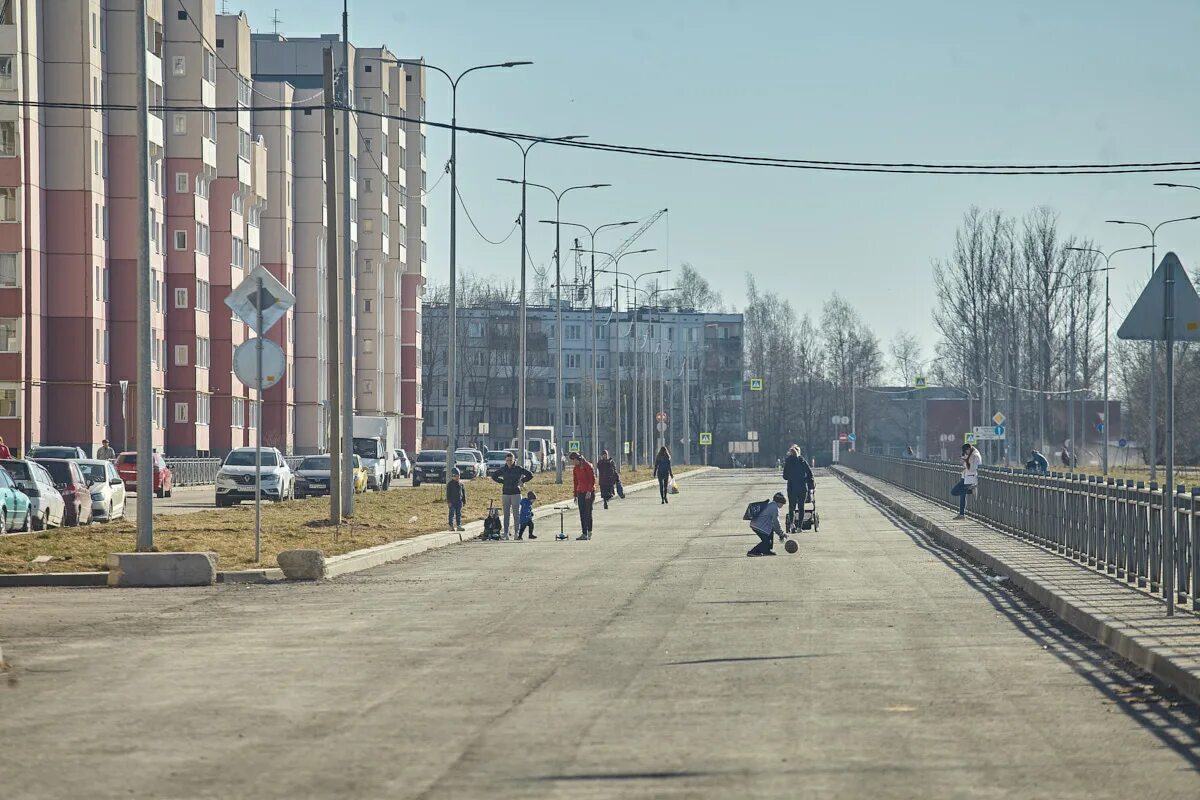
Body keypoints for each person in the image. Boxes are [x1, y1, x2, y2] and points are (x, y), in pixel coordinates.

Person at [491, 451, 534, 539]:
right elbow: (494, 476)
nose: (509, 462)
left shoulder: (518, 468)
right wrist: (502, 481)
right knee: (506, 514)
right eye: (507, 460)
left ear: (514, 460)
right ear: (505, 461)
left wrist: (522, 481)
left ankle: (516, 533)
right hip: (506, 493)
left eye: (511, 460)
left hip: (516, 493)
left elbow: (530, 475)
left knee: (516, 514)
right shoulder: (504, 469)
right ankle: (506, 533)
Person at [782, 444, 815, 533]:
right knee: (801, 507)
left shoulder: (788, 462)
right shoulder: (802, 461)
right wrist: (811, 485)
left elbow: (784, 476)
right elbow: (809, 473)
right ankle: (800, 527)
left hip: (792, 487)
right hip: (802, 488)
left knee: (792, 507)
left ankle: (792, 524)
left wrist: (791, 477)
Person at [748, 492, 788, 556]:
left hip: (757, 524)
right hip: (759, 526)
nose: (782, 505)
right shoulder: (774, 508)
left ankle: (766, 551)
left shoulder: (771, 505)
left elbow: (774, 525)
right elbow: (776, 523)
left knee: (770, 533)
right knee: (766, 542)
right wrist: (781, 533)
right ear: (779, 502)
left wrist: (780, 533)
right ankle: (752, 552)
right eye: (782, 504)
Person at [569, 452, 596, 540]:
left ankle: (589, 532)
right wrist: (575, 495)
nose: (573, 463)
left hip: (589, 492)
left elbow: (592, 480)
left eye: (574, 460)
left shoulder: (587, 466)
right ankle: (584, 533)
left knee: (588, 513)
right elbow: (575, 482)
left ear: (578, 459)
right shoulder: (575, 469)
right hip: (580, 492)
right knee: (582, 513)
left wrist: (589, 491)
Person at [951, 443, 982, 519]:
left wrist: (965, 461)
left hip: (969, 477)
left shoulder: (975, 455)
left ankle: (972, 491)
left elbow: (972, 468)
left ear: (968, 449)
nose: (966, 453)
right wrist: (965, 460)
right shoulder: (971, 454)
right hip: (965, 477)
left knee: (954, 492)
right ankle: (962, 514)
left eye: (966, 451)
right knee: (962, 495)